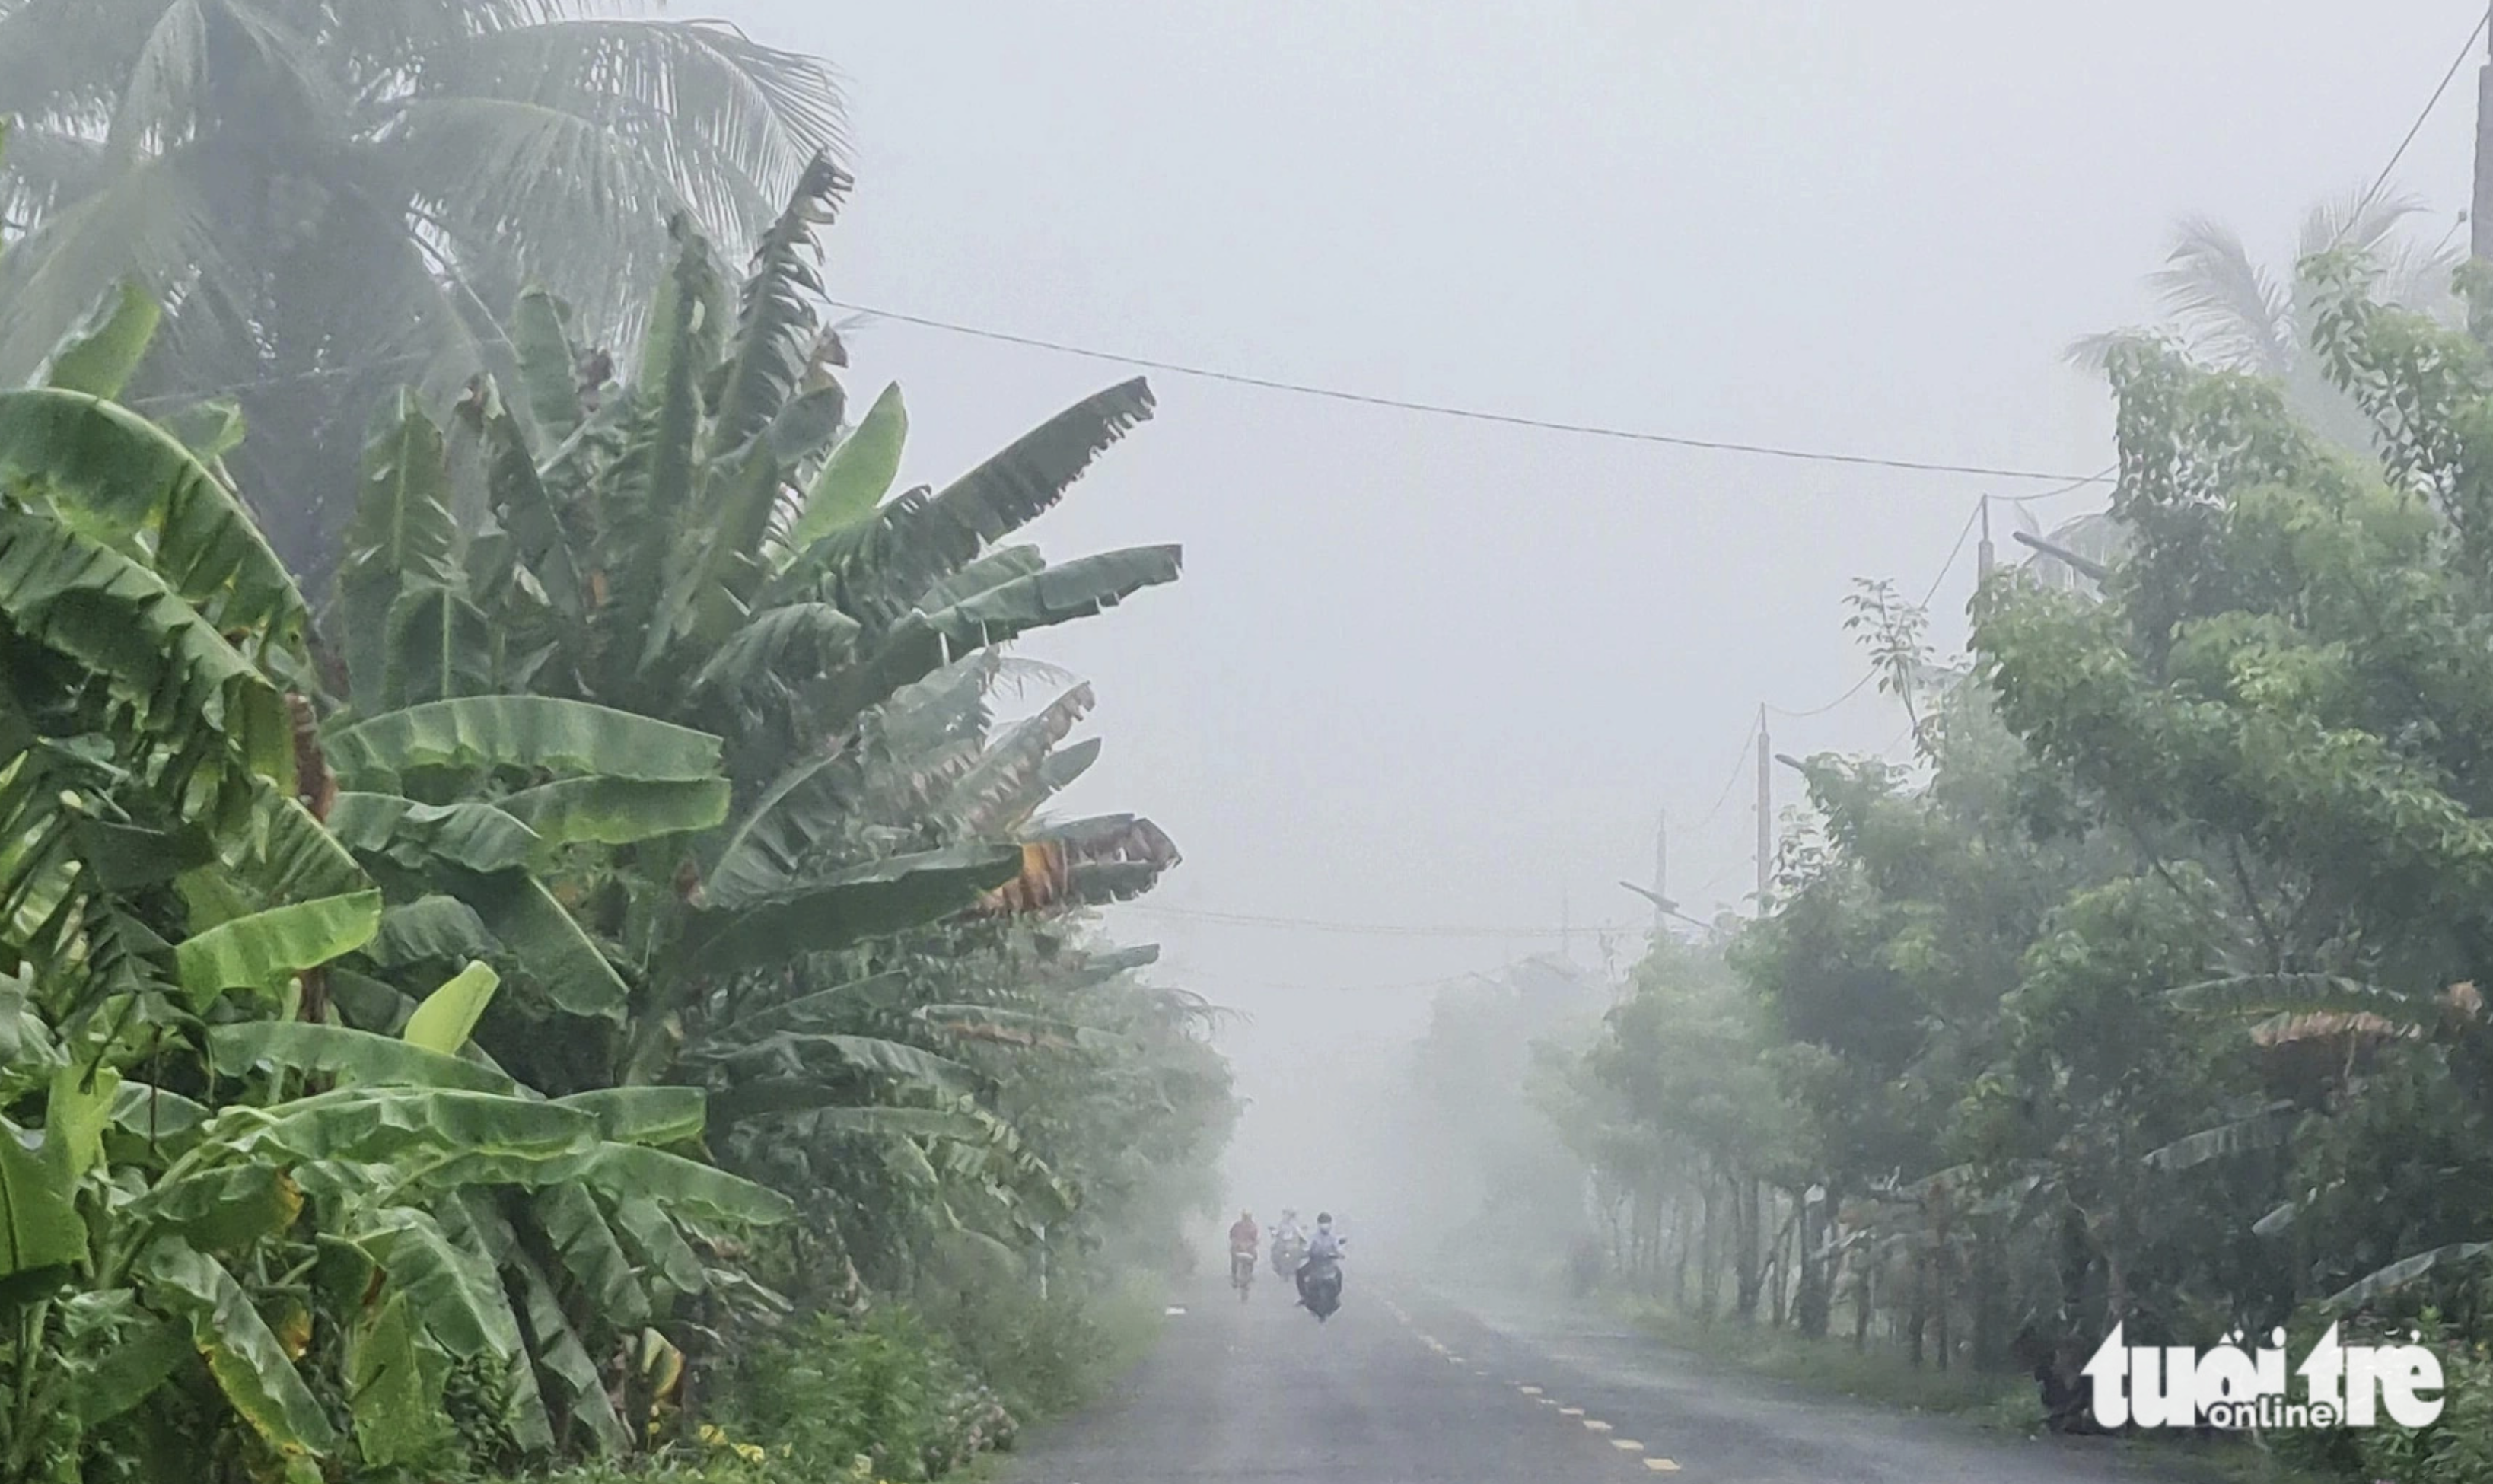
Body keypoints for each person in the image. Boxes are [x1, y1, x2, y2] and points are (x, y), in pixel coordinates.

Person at [1296, 1212, 1345, 1304]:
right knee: (1299, 1273)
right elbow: (1307, 1247)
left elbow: (1339, 1249)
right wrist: (1304, 1253)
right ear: (1319, 1224)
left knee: (1339, 1275)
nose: (1325, 1225)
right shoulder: (1313, 1237)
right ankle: (1303, 1296)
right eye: (1322, 1222)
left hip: (1329, 1264)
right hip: (1315, 1264)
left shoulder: (1333, 1238)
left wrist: (1341, 1255)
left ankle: (1336, 1296)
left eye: (1327, 1222)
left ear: (1331, 1224)